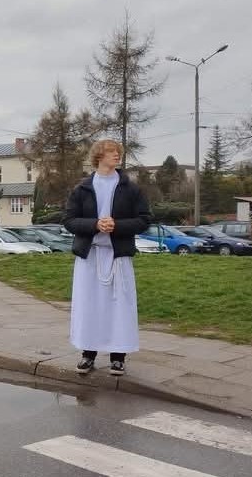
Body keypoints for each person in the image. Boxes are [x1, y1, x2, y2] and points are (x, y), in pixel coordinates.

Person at [64, 139, 150, 377]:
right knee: (88, 305)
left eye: (118, 153)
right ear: (99, 156)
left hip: (118, 256)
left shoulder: (129, 188)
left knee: (119, 306)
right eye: (112, 152)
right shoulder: (82, 188)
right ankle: (87, 355)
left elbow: (144, 220)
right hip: (89, 255)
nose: (117, 156)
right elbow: (69, 220)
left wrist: (117, 226)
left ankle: (118, 358)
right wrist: (94, 225)